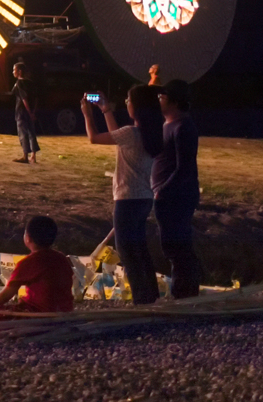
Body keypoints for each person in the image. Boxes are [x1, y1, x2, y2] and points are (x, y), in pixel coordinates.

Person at [86, 85, 163, 303]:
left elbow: (94, 137)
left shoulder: (131, 133)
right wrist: (105, 109)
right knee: (140, 249)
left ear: (137, 107)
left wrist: (86, 113)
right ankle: (151, 296)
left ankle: (141, 299)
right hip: (144, 199)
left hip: (127, 200)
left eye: (129, 100)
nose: (127, 103)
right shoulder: (152, 133)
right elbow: (116, 137)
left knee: (127, 252)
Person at [151, 79, 202, 298]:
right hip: (167, 196)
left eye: (162, 97)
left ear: (173, 101)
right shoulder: (168, 124)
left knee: (177, 246)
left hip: (176, 197)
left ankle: (184, 293)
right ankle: (183, 290)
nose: (159, 101)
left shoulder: (183, 127)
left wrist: (163, 190)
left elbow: (185, 167)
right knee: (172, 245)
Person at [11, 62, 40, 165]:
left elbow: (24, 99)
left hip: (22, 112)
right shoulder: (31, 83)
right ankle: (33, 156)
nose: (13, 72)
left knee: (23, 133)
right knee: (32, 133)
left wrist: (28, 112)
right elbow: (36, 98)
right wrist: (33, 112)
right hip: (31, 111)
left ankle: (25, 156)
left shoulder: (19, 83)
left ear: (19, 72)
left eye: (14, 70)